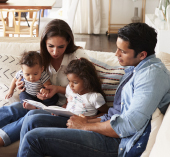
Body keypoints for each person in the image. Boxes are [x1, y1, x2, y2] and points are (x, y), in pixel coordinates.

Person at [17, 22, 170, 157]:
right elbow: (117, 115)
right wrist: (87, 119)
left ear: (142, 55)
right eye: (117, 49)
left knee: (34, 139)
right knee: (33, 118)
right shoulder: (136, 68)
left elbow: (128, 125)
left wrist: (85, 126)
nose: (116, 54)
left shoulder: (151, 76)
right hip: (107, 125)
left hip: (117, 142)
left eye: (122, 51)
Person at [0, 19, 89, 147]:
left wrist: (58, 90)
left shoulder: (78, 58)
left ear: (68, 42)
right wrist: (21, 86)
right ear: (44, 42)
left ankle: (1, 139)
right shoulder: (38, 58)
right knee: (13, 109)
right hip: (39, 102)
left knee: (31, 116)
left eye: (61, 47)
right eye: (50, 46)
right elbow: (24, 77)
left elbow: (86, 88)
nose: (55, 52)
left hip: (64, 108)